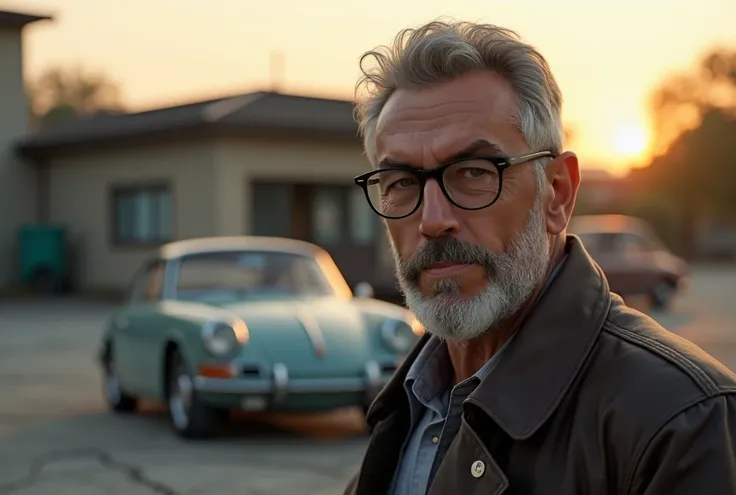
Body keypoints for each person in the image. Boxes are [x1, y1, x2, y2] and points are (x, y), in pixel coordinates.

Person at [345, 20, 736, 495]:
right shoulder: (409, 406)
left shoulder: (683, 421)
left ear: (557, 193)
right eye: (401, 183)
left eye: (473, 172)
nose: (432, 219)